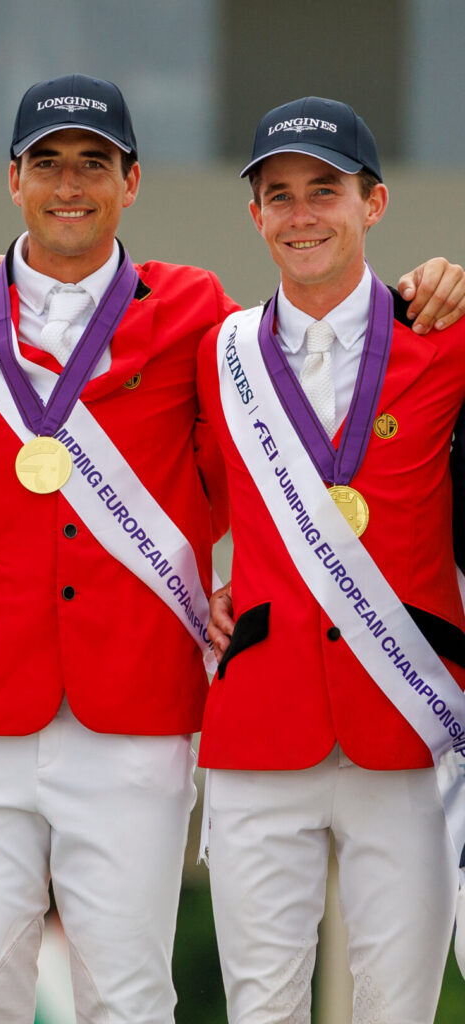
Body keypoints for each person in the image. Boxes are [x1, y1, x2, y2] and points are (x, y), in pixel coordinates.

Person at [0, 76, 465, 1024]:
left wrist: (244, 580)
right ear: (14, 180)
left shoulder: (198, 317)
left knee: (135, 1001)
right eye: (51, 164)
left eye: (95, 163)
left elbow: (249, 471)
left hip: (139, 704)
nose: (72, 184)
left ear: (133, 181)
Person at [197, 96, 465, 1023]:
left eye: (325, 190)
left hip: (409, 732)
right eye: (280, 196)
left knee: (401, 1011)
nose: (302, 214)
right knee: (261, 1009)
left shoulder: (447, 336)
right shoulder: (216, 353)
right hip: (260, 730)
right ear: (256, 215)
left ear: (374, 203)